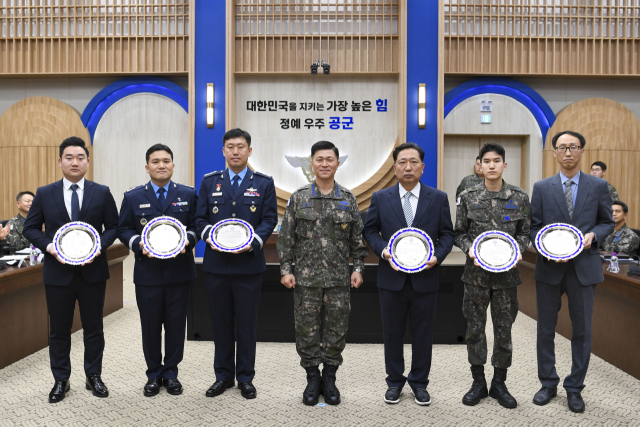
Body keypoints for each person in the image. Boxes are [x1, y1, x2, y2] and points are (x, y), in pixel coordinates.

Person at [23, 136, 119, 403]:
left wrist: (98, 245)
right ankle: (61, 379)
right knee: (58, 330)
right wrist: (50, 247)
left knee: (94, 328)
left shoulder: (101, 191)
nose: (74, 162)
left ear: (87, 161)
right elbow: (30, 228)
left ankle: (94, 376)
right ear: (60, 161)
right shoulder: (44, 193)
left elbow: (113, 226)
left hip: (93, 272)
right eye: (69, 157)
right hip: (58, 273)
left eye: (80, 157)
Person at [277, 140, 368, 406]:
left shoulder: (347, 198)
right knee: (306, 330)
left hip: (339, 280)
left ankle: (329, 377)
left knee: (336, 330)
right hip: (305, 280)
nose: (325, 164)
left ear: (338, 164)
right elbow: (285, 239)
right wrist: (286, 269)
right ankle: (311, 377)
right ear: (311, 163)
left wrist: (358, 268)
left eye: (330, 159)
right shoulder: (299, 197)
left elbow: (357, 240)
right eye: (319, 159)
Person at [363, 142, 454, 406]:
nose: (408, 167)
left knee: (423, 333)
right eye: (402, 162)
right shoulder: (381, 197)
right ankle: (394, 382)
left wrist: (437, 257)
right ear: (394, 167)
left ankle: (419, 383)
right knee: (392, 332)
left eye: (413, 162)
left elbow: (447, 234)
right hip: (391, 277)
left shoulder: (438, 198)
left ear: (422, 167)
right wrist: (384, 252)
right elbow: (370, 231)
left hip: (426, 277)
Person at [530, 131, 614, 413]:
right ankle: (548, 383)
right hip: (550, 269)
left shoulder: (599, 186)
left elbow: (607, 222)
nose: (567, 152)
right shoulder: (542, 187)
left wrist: (593, 235)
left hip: (584, 268)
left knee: (583, 331)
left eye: (573, 147)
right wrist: (545, 246)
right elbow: (534, 227)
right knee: (545, 330)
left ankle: (575, 387)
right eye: (562, 147)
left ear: (581, 151)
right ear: (554, 152)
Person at [195, 128, 278, 400]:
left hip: (248, 265)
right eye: (230, 146)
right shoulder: (210, 182)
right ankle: (222, 376)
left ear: (249, 151)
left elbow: (269, 220)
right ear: (223, 151)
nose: (235, 151)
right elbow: (200, 220)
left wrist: (253, 241)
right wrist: (211, 237)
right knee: (219, 323)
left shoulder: (263, 183)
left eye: (240, 146)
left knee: (246, 323)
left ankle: (245, 378)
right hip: (217, 265)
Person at [117, 144, 198, 397]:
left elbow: (197, 224)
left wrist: (189, 240)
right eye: (155, 161)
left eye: (166, 161)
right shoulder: (133, 197)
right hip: (147, 273)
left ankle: (171, 374)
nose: (161, 165)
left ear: (173, 165)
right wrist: (138, 244)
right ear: (147, 167)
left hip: (179, 272)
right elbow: (123, 229)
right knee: (150, 326)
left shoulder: (189, 194)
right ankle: (153, 374)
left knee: (175, 326)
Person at [454, 143, 531, 409]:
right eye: (486, 161)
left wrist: (519, 249)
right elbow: (459, 233)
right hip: (475, 277)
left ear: (504, 165)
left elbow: (524, 234)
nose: (491, 165)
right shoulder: (467, 196)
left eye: (497, 160)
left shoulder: (519, 197)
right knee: (475, 330)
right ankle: (478, 382)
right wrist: (470, 249)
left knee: (504, 331)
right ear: (480, 165)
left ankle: (499, 383)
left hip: (506, 279)